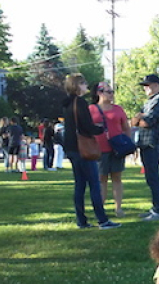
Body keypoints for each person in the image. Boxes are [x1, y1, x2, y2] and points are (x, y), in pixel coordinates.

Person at [62, 73, 121, 230]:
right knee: (94, 184)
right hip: (83, 148)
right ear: (77, 85)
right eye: (83, 83)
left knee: (80, 185)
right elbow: (86, 126)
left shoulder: (67, 104)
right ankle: (102, 220)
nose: (86, 85)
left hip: (72, 148)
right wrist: (99, 129)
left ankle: (81, 220)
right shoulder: (80, 103)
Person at [90, 82, 131, 218]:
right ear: (99, 93)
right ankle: (100, 209)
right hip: (98, 149)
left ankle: (118, 208)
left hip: (117, 149)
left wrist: (127, 144)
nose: (112, 94)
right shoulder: (91, 109)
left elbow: (126, 128)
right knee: (101, 179)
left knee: (117, 178)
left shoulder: (118, 109)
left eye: (112, 91)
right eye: (108, 91)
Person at [132, 74, 159, 221]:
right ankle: (155, 208)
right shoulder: (149, 102)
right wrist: (139, 118)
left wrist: (140, 118)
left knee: (153, 177)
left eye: (149, 85)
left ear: (157, 86)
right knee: (149, 177)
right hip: (144, 143)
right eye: (145, 86)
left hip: (153, 143)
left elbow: (148, 122)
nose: (147, 88)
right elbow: (134, 121)